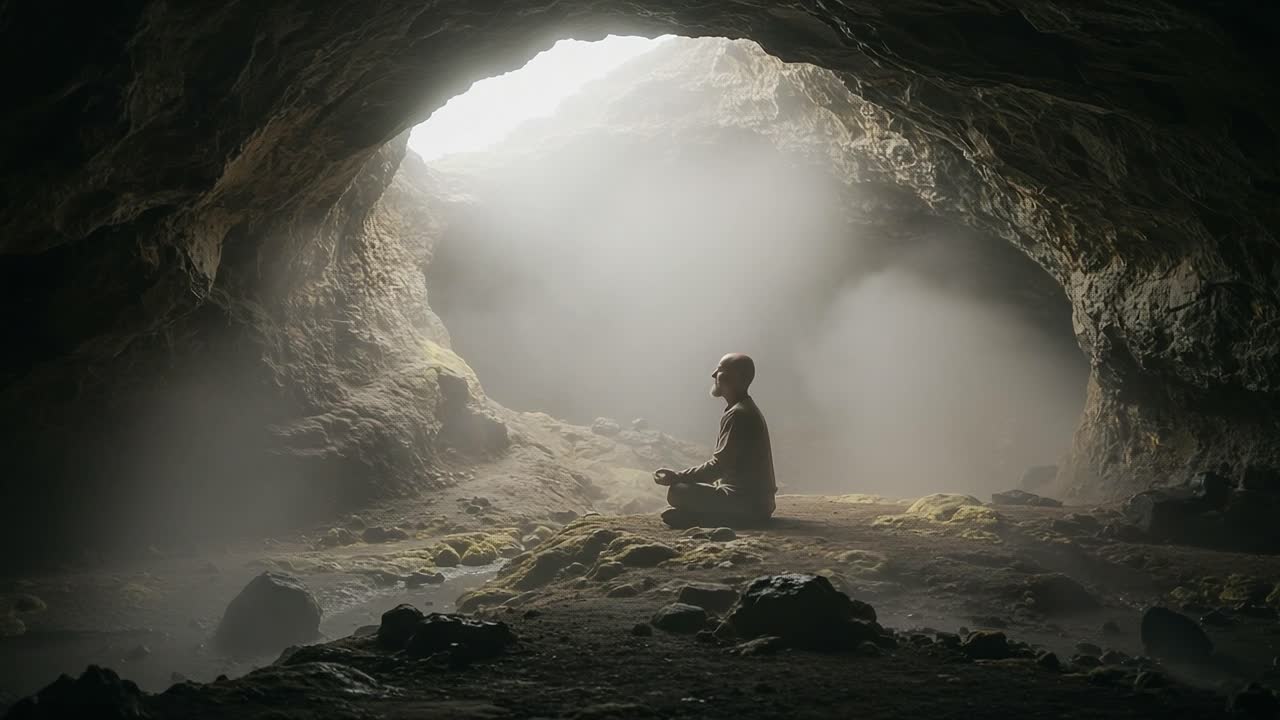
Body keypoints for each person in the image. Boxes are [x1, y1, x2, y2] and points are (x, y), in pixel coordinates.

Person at [653, 353, 777, 529]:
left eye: (719, 370)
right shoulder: (744, 409)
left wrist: (678, 477)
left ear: (734, 377)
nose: (713, 375)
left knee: (677, 491)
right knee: (685, 489)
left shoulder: (738, 414)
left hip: (747, 504)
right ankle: (704, 517)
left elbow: (719, 467)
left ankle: (707, 519)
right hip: (760, 503)